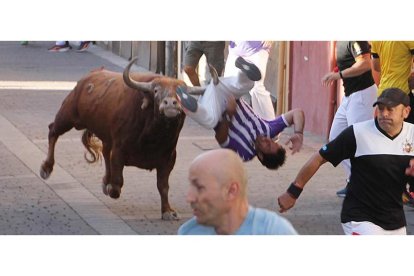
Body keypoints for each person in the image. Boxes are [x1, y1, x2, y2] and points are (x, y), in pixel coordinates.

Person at [278, 88, 413, 235]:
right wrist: (293, 192)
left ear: (406, 112)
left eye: (390, 109)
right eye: (380, 109)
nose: (384, 114)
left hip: (395, 220)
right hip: (360, 218)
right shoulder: (357, 133)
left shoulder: (412, 134)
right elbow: (319, 157)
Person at [177, 57, 305, 170]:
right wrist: (298, 133)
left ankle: (182, 98)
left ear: (260, 156)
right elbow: (297, 113)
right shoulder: (269, 130)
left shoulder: (244, 154)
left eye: (268, 145)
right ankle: (244, 69)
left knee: (210, 121)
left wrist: (229, 114)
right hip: (228, 91)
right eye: (272, 142)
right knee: (248, 85)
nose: (268, 140)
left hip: (214, 106)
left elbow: (221, 139)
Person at [178, 148, 298, 235]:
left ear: (231, 191)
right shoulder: (188, 232)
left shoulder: (274, 231)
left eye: (199, 187)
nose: (189, 197)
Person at [321, 41, 377, 197]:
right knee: (336, 138)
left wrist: (338, 75)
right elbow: (351, 62)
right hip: (349, 96)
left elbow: (365, 64)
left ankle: (363, 185)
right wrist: (339, 70)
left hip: (362, 94)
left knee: (358, 141)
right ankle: (355, 180)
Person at [371, 41, 414, 206]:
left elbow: (376, 65)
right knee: (405, 142)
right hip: (400, 95)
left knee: (387, 141)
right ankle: (403, 189)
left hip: (383, 92)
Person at [224, 41, 276, 120]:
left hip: (257, 49)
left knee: (257, 87)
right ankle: (233, 125)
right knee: (227, 87)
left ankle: (271, 126)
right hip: (235, 49)